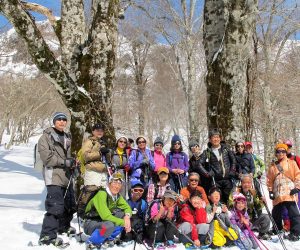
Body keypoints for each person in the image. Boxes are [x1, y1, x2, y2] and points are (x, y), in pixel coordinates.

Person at [38, 112, 76, 246]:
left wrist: (72, 163)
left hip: (66, 176)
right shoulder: (45, 137)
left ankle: (63, 226)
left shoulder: (66, 136)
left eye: (64, 120)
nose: (62, 122)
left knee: (69, 205)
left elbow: (68, 156)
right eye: (59, 119)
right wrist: (64, 162)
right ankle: (47, 236)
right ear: (54, 121)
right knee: (55, 207)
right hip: (53, 175)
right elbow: (46, 158)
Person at [84, 172, 132, 248]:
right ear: (109, 183)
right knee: (108, 226)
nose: (117, 186)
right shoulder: (101, 194)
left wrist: (127, 217)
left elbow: (127, 207)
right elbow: (106, 216)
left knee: (122, 215)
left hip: (101, 221)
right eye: (114, 182)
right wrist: (124, 223)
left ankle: (109, 238)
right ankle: (93, 241)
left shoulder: (117, 196)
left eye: (119, 183)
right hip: (90, 223)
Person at [267, 143, 300, 241]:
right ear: (276, 153)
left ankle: (295, 232)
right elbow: (269, 180)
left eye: (283, 151)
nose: (280, 153)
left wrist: (297, 187)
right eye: (278, 151)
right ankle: (277, 229)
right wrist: (270, 191)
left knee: (293, 212)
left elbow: (298, 175)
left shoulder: (292, 163)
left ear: (286, 152)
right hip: (278, 192)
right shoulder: (273, 166)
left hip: (289, 191)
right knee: (276, 212)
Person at [196, 129, 237, 203]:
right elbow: (199, 164)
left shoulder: (226, 149)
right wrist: (207, 174)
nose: (216, 139)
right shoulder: (207, 152)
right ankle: (219, 214)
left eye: (217, 137)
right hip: (215, 181)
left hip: (228, 179)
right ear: (210, 139)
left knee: (230, 200)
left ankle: (230, 214)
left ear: (220, 138)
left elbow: (233, 160)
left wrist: (232, 170)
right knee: (217, 201)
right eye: (214, 137)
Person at [228, 174, 271, 240]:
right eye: (244, 182)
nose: (246, 185)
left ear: (251, 183)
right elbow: (230, 205)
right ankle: (242, 233)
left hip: (250, 219)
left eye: (248, 182)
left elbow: (258, 207)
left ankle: (262, 233)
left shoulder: (253, 192)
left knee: (265, 217)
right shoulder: (236, 191)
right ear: (241, 183)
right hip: (239, 220)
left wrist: (262, 202)